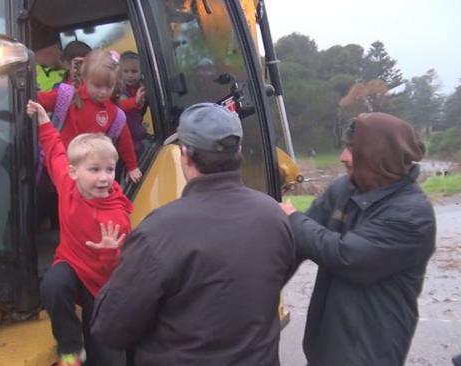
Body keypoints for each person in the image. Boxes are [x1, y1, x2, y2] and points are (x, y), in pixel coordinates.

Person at [90, 103, 296, 366]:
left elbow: (110, 328)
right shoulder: (275, 217)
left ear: (185, 154)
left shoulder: (158, 231)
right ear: (239, 151)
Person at [279, 113, 436, 365]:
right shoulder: (345, 188)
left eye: (352, 149)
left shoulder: (412, 215)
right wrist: (252, 292)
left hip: (369, 353)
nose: (343, 157)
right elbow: (295, 246)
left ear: (378, 156)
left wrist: (294, 220)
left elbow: (347, 257)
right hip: (324, 347)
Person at [26, 100, 133, 366]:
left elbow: (120, 268)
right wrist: (42, 118)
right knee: (52, 285)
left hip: (101, 283)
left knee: (103, 353)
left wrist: (110, 253)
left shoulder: (116, 217)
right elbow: (54, 150)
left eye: (110, 170)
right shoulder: (67, 184)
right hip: (72, 265)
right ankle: (71, 347)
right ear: (74, 173)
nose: (105, 178)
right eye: (95, 170)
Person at [37, 49, 142, 183]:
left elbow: (125, 141)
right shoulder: (67, 96)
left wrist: (132, 166)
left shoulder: (115, 113)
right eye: (97, 86)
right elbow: (39, 100)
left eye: (109, 86)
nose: (103, 92)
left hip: (86, 176)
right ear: (85, 78)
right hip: (56, 167)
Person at [114, 51, 148, 156]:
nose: (130, 75)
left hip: (137, 128)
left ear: (141, 72)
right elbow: (120, 105)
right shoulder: (119, 88)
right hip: (124, 130)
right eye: (126, 71)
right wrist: (135, 102)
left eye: (134, 71)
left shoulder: (143, 86)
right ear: (120, 73)